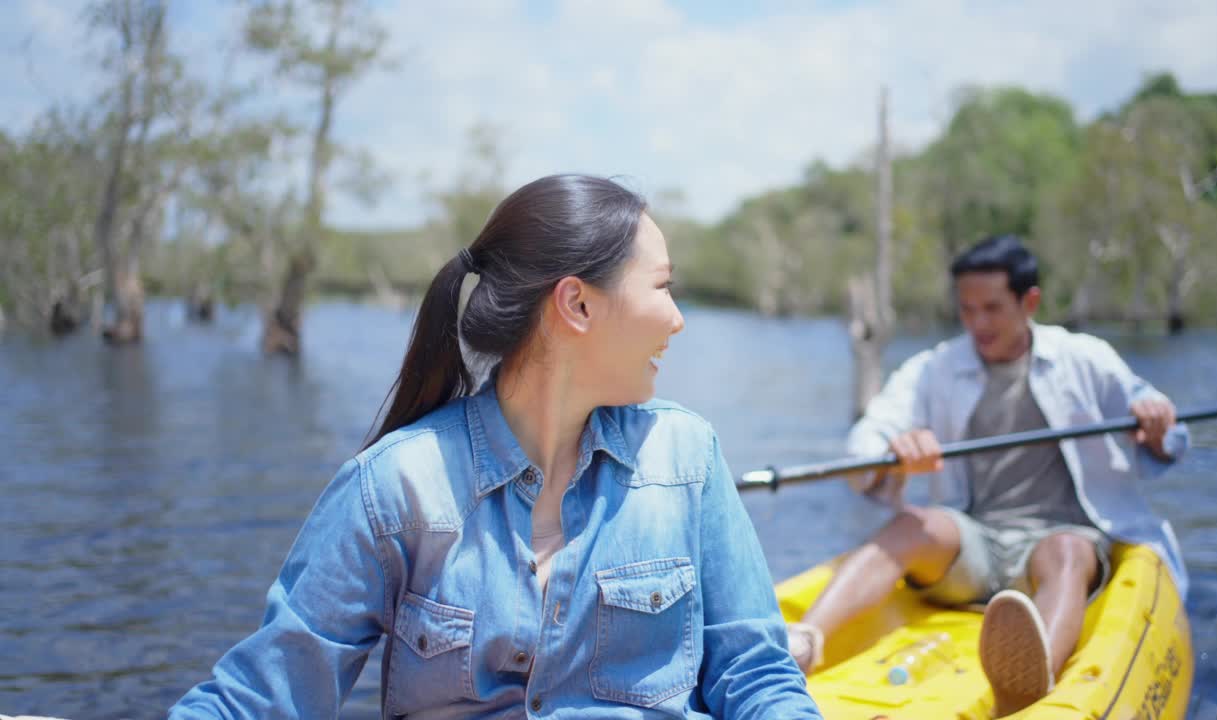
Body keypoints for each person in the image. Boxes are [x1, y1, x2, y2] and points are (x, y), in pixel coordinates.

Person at [170, 175, 821, 719]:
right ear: (578, 305)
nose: (678, 317)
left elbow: (756, 675)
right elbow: (264, 698)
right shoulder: (396, 486)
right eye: (661, 287)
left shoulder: (686, 457)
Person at [786, 235, 1188, 716]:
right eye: (967, 309)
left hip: (1060, 541)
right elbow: (870, 433)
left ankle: (1029, 683)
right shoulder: (935, 367)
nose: (978, 323)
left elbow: (1171, 438)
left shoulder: (1085, 358)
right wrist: (892, 452)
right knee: (914, 523)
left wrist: (1157, 424)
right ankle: (803, 646)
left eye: (992, 308)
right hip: (975, 542)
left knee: (1065, 552)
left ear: (1029, 301)